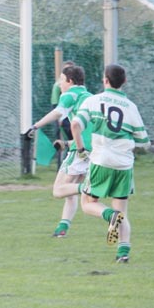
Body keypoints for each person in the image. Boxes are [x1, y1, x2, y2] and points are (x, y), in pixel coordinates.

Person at [69, 64, 150, 263]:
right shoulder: (131, 107)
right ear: (124, 82)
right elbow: (144, 142)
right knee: (122, 210)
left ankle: (109, 215)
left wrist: (80, 150)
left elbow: (75, 124)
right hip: (123, 165)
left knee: (88, 203)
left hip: (101, 161)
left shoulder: (93, 101)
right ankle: (123, 253)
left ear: (105, 80)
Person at [25, 65, 92, 238]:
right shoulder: (91, 96)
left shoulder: (70, 94)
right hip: (95, 150)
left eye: (61, 80)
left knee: (59, 190)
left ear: (70, 81)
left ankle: (91, 187)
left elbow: (57, 113)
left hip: (81, 149)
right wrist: (68, 143)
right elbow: (91, 130)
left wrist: (35, 126)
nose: (59, 84)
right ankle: (62, 229)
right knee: (71, 191)